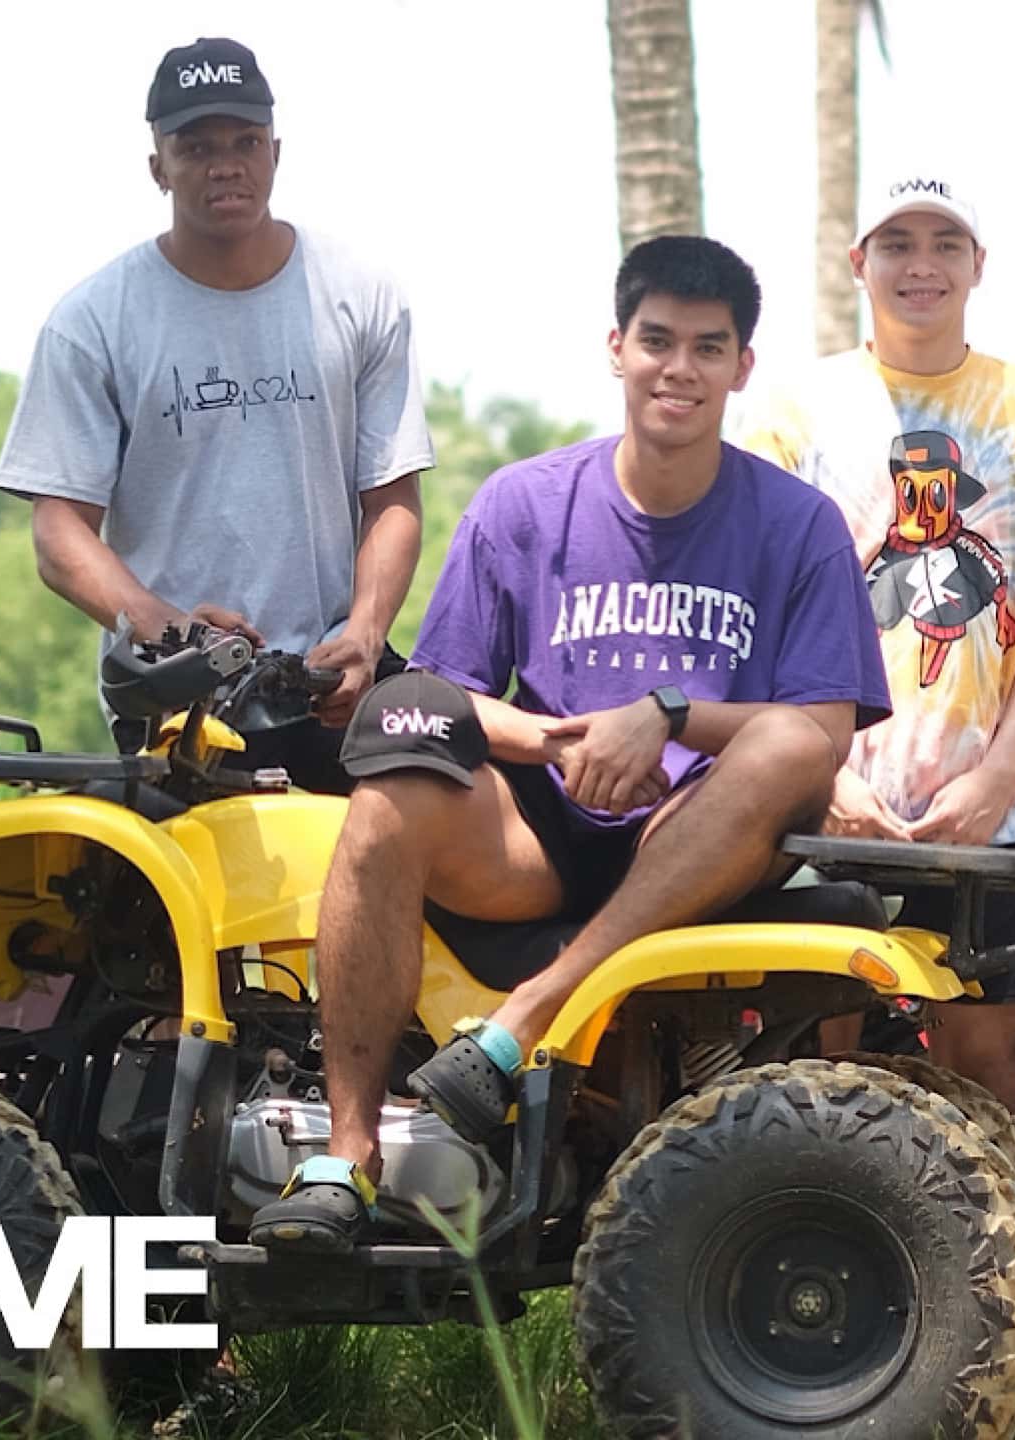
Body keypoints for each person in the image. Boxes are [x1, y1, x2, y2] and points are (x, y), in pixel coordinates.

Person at [246, 236, 890, 1253]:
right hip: (540, 824)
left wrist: (663, 714)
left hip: (702, 826)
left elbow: (823, 728)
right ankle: (347, 1157)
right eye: (658, 341)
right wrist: (549, 742)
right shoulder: (525, 503)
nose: (679, 369)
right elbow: (449, 689)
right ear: (616, 348)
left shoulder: (798, 525)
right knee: (385, 797)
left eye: (707, 349)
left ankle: (532, 1015)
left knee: (784, 748)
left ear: (741, 368)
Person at [745, 173, 1015, 1436]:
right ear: (859, 261)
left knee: (987, 1066)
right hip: (821, 794)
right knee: (820, 1055)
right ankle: (811, 1343)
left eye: (944, 243)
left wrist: (990, 771)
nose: (921, 264)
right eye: (897, 243)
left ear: (977, 262)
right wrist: (823, 770)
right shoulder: (797, 407)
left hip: (989, 800)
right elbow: (753, 607)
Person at [0, 37, 431, 792]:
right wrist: (171, 632)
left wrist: (363, 632)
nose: (224, 163)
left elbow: (392, 499)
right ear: (157, 165)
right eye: (195, 146)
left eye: (245, 141)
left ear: (276, 152)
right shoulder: (94, 320)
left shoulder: (360, 293)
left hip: (334, 687)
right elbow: (59, 533)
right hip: (178, 701)